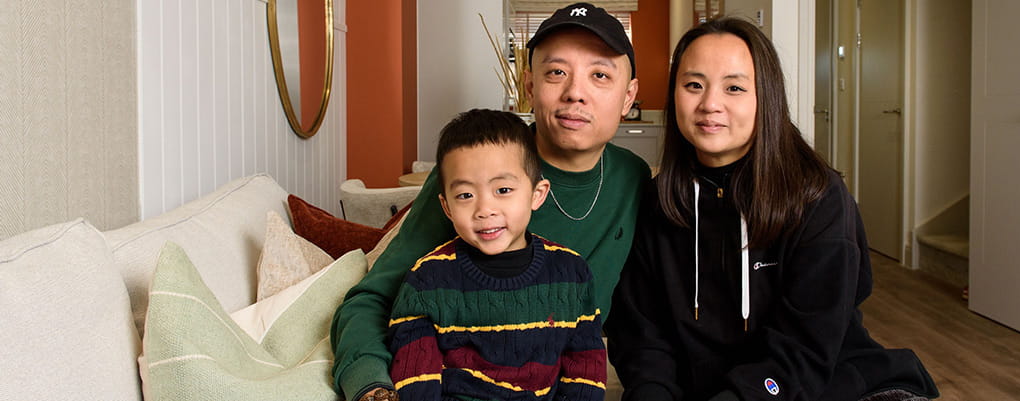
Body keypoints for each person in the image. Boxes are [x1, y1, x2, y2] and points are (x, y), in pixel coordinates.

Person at [604, 18, 940, 401]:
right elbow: (643, 337)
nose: (710, 104)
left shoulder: (817, 197)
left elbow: (805, 348)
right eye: (693, 85)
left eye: (734, 87)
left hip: (821, 385)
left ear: (767, 96)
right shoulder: (658, 200)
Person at [331, 3, 650, 401]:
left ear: (628, 96)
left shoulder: (636, 179)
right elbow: (374, 299)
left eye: (600, 75)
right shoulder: (477, 171)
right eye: (556, 73)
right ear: (531, 87)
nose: (575, 93)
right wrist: (370, 385)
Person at [385, 109, 605, 401]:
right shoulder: (427, 280)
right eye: (465, 195)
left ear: (536, 194)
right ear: (447, 207)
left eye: (503, 189)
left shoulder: (571, 273)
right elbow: (416, 380)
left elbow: (586, 370)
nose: (485, 209)